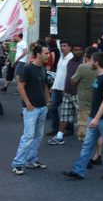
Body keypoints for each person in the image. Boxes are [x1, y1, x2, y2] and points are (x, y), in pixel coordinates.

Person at [62, 52, 103, 180]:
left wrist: (96, 118)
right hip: (95, 116)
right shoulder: (99, 76)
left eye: (91, 61)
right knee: (87, 144)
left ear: (96, 63)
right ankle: (78, 171)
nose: (89, 63)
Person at [11, 46, 51, 175]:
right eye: (46, 53)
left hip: (42, 107)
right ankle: (17, 163)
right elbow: (21, 87)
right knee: (28, 136)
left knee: (38, 136)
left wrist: (48, 101)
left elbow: (45, 85)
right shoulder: (27, 68)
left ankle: (31, 160)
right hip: (31, 109)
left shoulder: (43, 69)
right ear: (38, 54)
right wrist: (28, 104)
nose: (49, 55)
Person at [47, 44, 84, 145]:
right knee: (64, 115)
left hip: (77, 92)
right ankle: (59, 136)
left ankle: (86, 136)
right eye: (76, 50)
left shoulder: (83, 62)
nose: (78, 52)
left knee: (81, 115)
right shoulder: (69, 61)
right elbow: (64, 75)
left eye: (80, 50)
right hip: (66, 91)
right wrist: (59, 87)